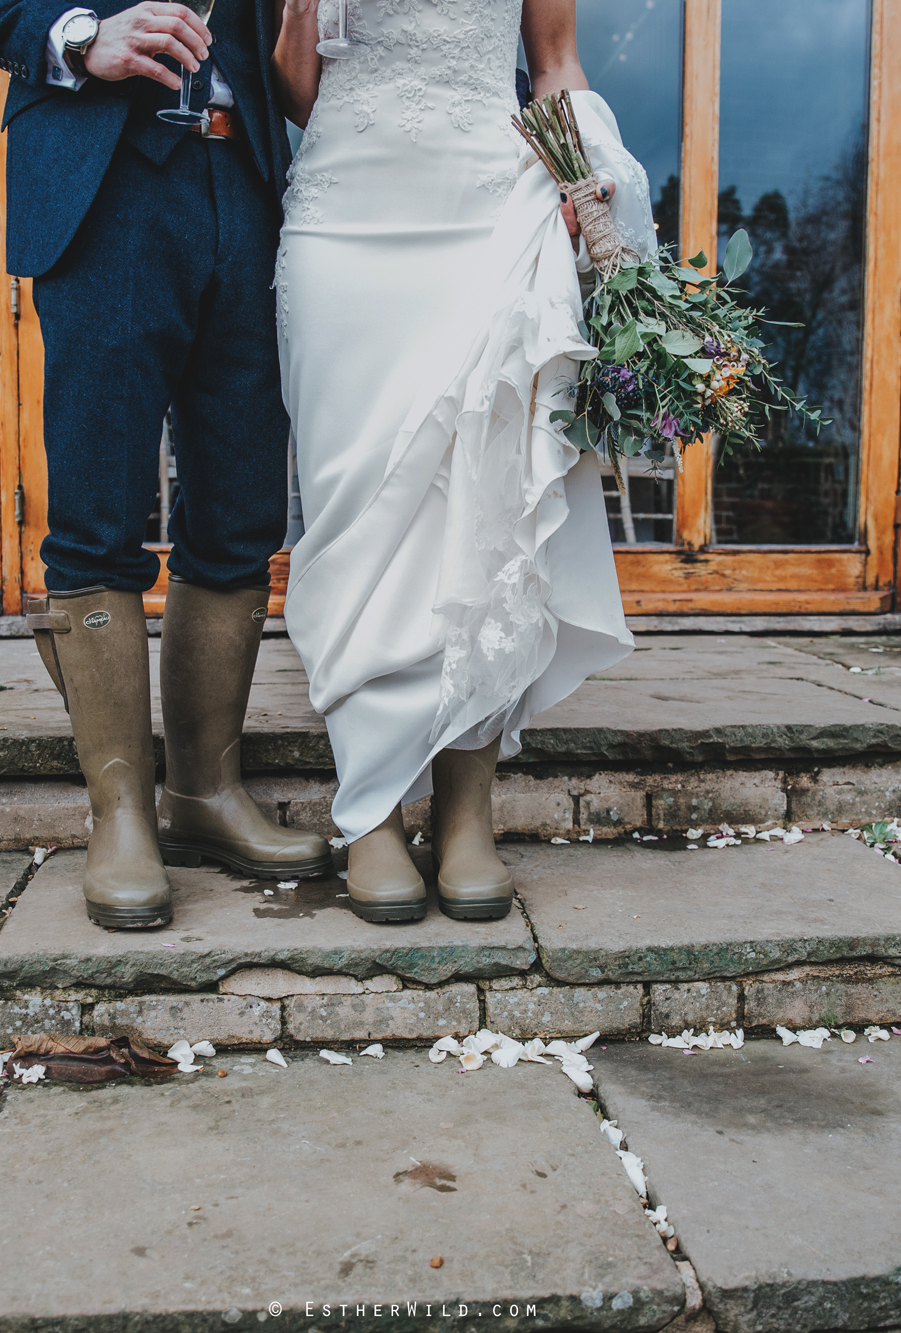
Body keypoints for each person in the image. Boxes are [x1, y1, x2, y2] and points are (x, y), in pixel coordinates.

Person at [0, 0, 332, 930]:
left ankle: (205, 791)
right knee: (97, 504)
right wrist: (77, 36)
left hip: (253, 176)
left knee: (241, 507)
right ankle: (120, 817)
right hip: (105, 179)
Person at [272, 0, 641, 923]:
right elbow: (297, 85)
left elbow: (554, 63)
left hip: (486, 219)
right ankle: (372, 811)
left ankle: (468, 808)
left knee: (487, 496)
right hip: (343, 225)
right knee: (355, 505)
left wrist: (587, 195)